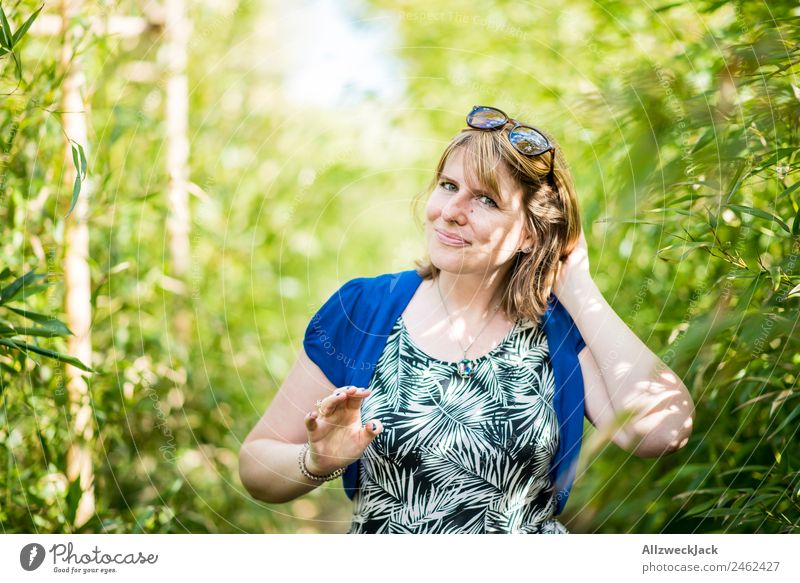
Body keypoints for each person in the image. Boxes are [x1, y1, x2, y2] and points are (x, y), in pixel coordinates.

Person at [239, 105, 695, 534]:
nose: (451, 212)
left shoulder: (560, 329)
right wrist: (315, 461)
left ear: (530, 235)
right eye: (448, 185)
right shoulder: (363, 308)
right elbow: (256, 467)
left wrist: (578, 287)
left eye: (486, 201)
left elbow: (663, 431)